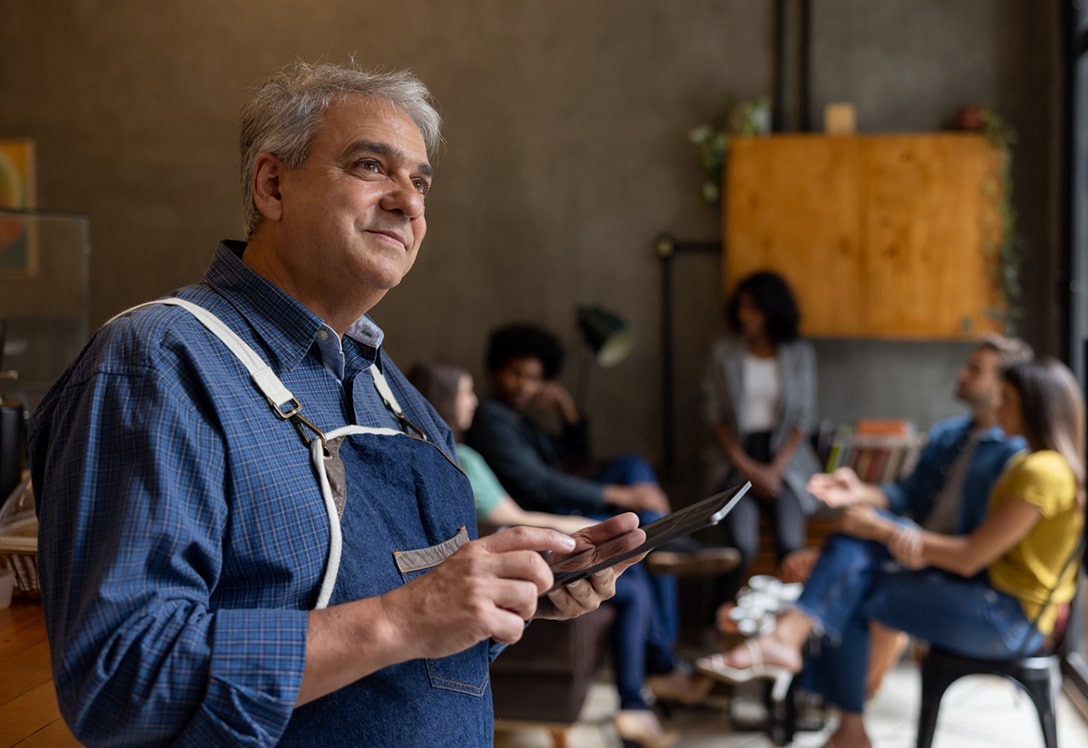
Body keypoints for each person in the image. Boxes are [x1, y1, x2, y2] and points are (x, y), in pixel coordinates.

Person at [27, 61, 643, 747]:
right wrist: (398, 620)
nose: (408, 201)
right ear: (272, 185)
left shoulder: (397, 396)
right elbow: (122, 682)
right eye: (370, 166)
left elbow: (433, 642)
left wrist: (513, 592)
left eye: (420, 182)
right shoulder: (158, 364)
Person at [701, 356, 1085, 748]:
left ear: (1032, 406)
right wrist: (874, 514)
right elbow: (917, 503)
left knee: (851, 587)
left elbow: (971, 555)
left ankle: (825, 692)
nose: (999, 406)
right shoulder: (1029, 462)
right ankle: (830, 701)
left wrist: (882, 529)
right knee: (851, 560)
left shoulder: (1040, 470)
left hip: (1007, 618)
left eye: (1007, 399)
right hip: (991, 599)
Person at [775, 333, 1035, 698]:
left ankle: (815, 672)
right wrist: (860, 490)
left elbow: (978, 549)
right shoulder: (948, 434)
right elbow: (904, 495)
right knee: (850, 530)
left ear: (1002, 386)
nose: (962, 374)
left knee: (845, 568)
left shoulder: (1016, 456)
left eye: (975, 370)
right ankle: (828, 695)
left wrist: (888, 533)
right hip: (905, 548)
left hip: (953, 566)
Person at [701, 270, 822, 607]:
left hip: (787, 464)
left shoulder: (799, 354)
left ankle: (795, 627)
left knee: (791, 545)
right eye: (740, 308)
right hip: (736, 460)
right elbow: (713, 416)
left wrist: (775, 470)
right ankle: (716, 622)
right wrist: (748, 468)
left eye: (752, 308)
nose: (744, 316)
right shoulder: (724, 353)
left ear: (772, 310)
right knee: (742, 546)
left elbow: (804, 417)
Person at [406, 358, 595, 535]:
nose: (474, 401)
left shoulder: (413, 455)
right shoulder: (461, 459)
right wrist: (588, 526)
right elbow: (519, 520)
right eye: (467, 392)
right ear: (445, 399)